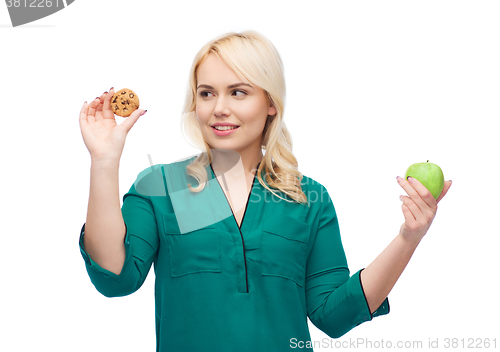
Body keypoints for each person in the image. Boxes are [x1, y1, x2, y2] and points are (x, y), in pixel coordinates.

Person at [78, 30, 452, 351]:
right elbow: (115, 277)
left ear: (270, 103)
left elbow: (333, 314)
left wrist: (408, 237)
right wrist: (104, 163)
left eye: (238, 93)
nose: (219, 108)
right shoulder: (163, 186)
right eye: (206, 94)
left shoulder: (308, 198)